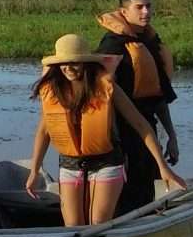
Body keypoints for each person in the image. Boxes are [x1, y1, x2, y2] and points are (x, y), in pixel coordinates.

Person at [24, 32, 182, 225]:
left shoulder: (106, 87)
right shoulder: (53, 90)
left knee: (98, 222)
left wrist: (163, 167)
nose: (68, 68)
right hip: (70, 163)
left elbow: (143, 126)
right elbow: (43, 132)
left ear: (86, 62)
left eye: (74, 62)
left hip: (106, 162)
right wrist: (34, 171)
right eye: (63, 63)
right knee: (73, 224)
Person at [96, 0, 181, 215]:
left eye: (148, 6)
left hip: (147, 130)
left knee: (146, 190)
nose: (146, 12)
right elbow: (101, 101)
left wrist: (172, 136)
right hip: (120, 134)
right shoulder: (111, 47)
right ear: (123, 11)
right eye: (139, 7)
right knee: (125, 196)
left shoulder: (149, 44)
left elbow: (159, 98)